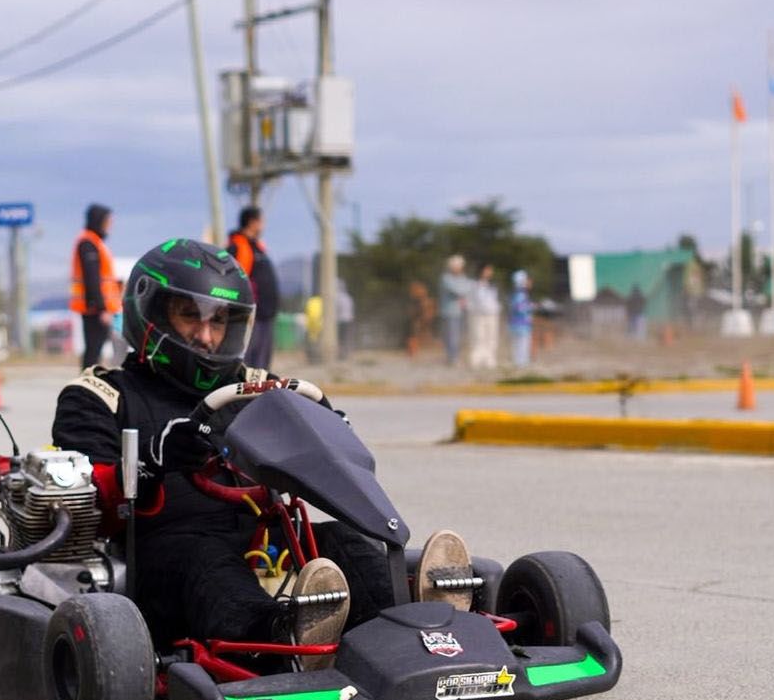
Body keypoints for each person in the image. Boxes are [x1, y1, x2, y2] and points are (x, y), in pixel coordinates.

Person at [50, 238, 471, 666]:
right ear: (152, 315)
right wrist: (156, 460)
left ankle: (419, 621)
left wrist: (330, 431)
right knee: (205, 558)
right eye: (189, 317)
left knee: (342, 541)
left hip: (265, 543)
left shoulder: (257, 386)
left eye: (220, 321)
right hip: (158, 560)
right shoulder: (100, 396)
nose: (207, 336)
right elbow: (90, 503)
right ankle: (282, 638)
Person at [70, 204, 122, 369]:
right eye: (108, 221)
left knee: (96, 350)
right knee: (93, 351)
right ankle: (86, 385)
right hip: (95, 309)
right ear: (98, 221)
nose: (110, 225)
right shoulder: (88, 243)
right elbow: (91, 279)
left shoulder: (95, 243)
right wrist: (101, 308)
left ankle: (90, 381)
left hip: (100, 308)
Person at [228, 206, 279, 370]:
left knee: (262, 364)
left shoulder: (257, 247)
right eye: (261, 221)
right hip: (250, 316)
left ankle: (260, 393)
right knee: (248, 361)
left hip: (265, 315)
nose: (263, 225)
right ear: (252, 222)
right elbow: (234, 280)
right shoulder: (238, 247)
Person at [467, 264, 500, 369]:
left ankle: (489, 359)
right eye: (487, 270)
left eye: (490, 270)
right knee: (478, 337)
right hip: (478, 315)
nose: (489, 272)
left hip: (491, 315)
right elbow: (470, 300)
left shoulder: (493, 285)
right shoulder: (474, 284)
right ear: (481, 271)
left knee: (491, 337)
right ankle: (476, 360)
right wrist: (473, 310)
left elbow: (494, 300)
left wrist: (496, 309)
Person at [438, 255, 469, 365]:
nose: (459, 268)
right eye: (457, 266)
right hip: (449, 312)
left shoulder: (463, 277)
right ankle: (452, 358)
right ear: (451, 267)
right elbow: (458, 290)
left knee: (459, 336)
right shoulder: (446, 278)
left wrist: (464, 290)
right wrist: (464, 290)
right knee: (451, 337)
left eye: (460, 266)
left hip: (461, 311)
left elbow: (468, 288)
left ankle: (456, 356)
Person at [509, 269, 534, 368]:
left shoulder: (517, 294)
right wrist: (532, 307)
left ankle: (520, 363)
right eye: (527, 280)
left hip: (518, 324)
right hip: (521, 325)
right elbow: (519, 308)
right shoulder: (520, 294)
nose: (530, 282)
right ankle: (521, 364)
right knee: (521, 345)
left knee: (520, 345)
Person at [406, 281, 434, 357]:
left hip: (421, 319)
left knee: (416, 332)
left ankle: (414, 349)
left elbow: (429, 312)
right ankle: (412, 350)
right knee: (413, 332)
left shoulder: (427, 301)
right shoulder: (413, 302)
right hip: (416, 319)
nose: (421, 292)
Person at [335, 279, 355, 361]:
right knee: (346, 338)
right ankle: (345, 354)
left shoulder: (337, 297)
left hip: (340, 320)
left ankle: (342, 355)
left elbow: (336, 310)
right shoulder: (348, 297)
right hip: (348, 320)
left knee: (340, 339)